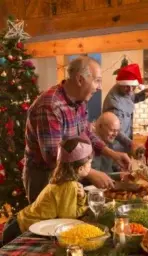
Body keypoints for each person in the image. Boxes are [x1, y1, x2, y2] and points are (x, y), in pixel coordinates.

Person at [23, 56, 130, 203]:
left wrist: (112, 154)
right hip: (46, 178)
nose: (99, 87)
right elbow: (53, 157)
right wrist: (90, 173)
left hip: (71, 174)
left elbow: (86, 133)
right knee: (49, 224)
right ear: (80, 80)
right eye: (97, 80)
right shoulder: (50, 105)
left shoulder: (80, 101)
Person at [3, 137, 92, 245]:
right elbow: (68, 219)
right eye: (90, 163)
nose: (91, 166)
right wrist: (86, 208)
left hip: (17, 222)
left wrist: (81, 197)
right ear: (80, 168)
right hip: (19, 230)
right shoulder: (69, 186)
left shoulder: (62, 181)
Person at [102, 64, 148, 152]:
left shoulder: (125, 90)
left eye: (133, 86)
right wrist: (131, 144)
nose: (130, 90)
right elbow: (115, 131)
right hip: (115, 147)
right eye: (127, 86)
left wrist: (143, 95)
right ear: (120, 83)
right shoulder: (114, 103)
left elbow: (130, 98)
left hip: (124, 145)